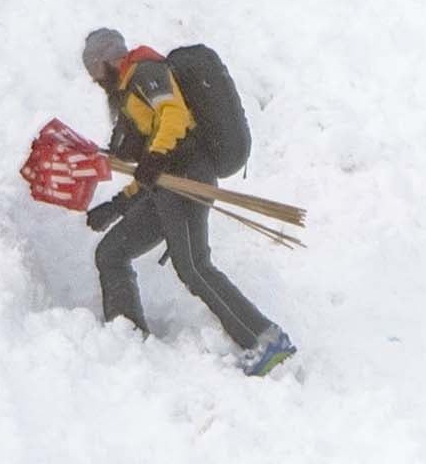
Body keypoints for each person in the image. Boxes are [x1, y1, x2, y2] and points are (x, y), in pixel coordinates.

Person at [80, 28, 295, 376]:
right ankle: (128, 337)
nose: (94, 79)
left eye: (93, 69)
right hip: (166, 186)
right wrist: (118, 205)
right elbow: (149, 167)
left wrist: (155, 158)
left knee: (194, 267)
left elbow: (174, 116)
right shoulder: (126, 94)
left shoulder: (146, 73)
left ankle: (266, 341)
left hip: (188, 177)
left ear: (107, 60)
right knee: (111, 253)